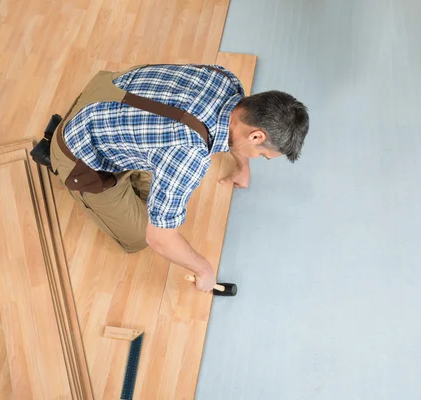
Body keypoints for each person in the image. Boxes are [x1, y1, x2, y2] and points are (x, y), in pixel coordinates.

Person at [49, 63, 309, 292]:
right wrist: (204, 269)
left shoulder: (226, 81)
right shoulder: (189, 153)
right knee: (140, 235)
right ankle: (54, 157)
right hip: (81, 151)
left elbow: (232, 137)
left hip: (102, 95)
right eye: (261, 155)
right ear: (256, 136)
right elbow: (159, 238)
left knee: (156, 195)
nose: (256, 158)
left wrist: (242, 165)